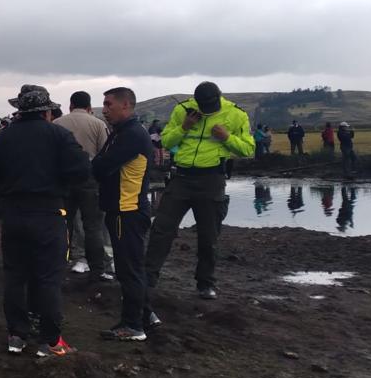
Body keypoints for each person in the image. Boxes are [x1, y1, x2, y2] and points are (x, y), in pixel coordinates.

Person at [0, 85, 90, 355]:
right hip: (49, 214)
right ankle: (50, 341)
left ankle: (16, 335)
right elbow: (82, 170)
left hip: (13, 215)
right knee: (48, 277)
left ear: (19, 111)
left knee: (15, 276)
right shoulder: (59, 135)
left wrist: (3, 182)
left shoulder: (4, 137)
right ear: (48, 112)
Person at [144, 82, 255, 302]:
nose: (206, 110)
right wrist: (184, 126)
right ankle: (147, 279)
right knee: (161, 229)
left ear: (219, 98)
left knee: (208, 236)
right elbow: (165, 141)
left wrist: (227, 138)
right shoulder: (183, 110)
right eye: (203, 106)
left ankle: (206, 283)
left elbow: (249, 150)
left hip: (212, 180)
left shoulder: (235, 114)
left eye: (210, 106)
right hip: (181, 178)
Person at [92, 88, 159, 342]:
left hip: (126, 210)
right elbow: (100, 163)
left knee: (128, 269)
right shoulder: (123, 132)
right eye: (104, 104)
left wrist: (95, 166)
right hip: (126, 209)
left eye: (109, 104)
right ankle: (146, 315)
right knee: (132, 266)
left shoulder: (130, 135)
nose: (105, 109)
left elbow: (100, 166)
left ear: (126, 105)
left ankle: (133, 326)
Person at [53, 91, 110, 280]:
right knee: (92, 226)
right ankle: (97, 268)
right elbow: (104, 153)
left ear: (70, 105)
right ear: (89, 107)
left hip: (64, 179)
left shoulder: (58, 123)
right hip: (90, 179)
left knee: (64, 223)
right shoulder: (98, 124)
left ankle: (61, 262)